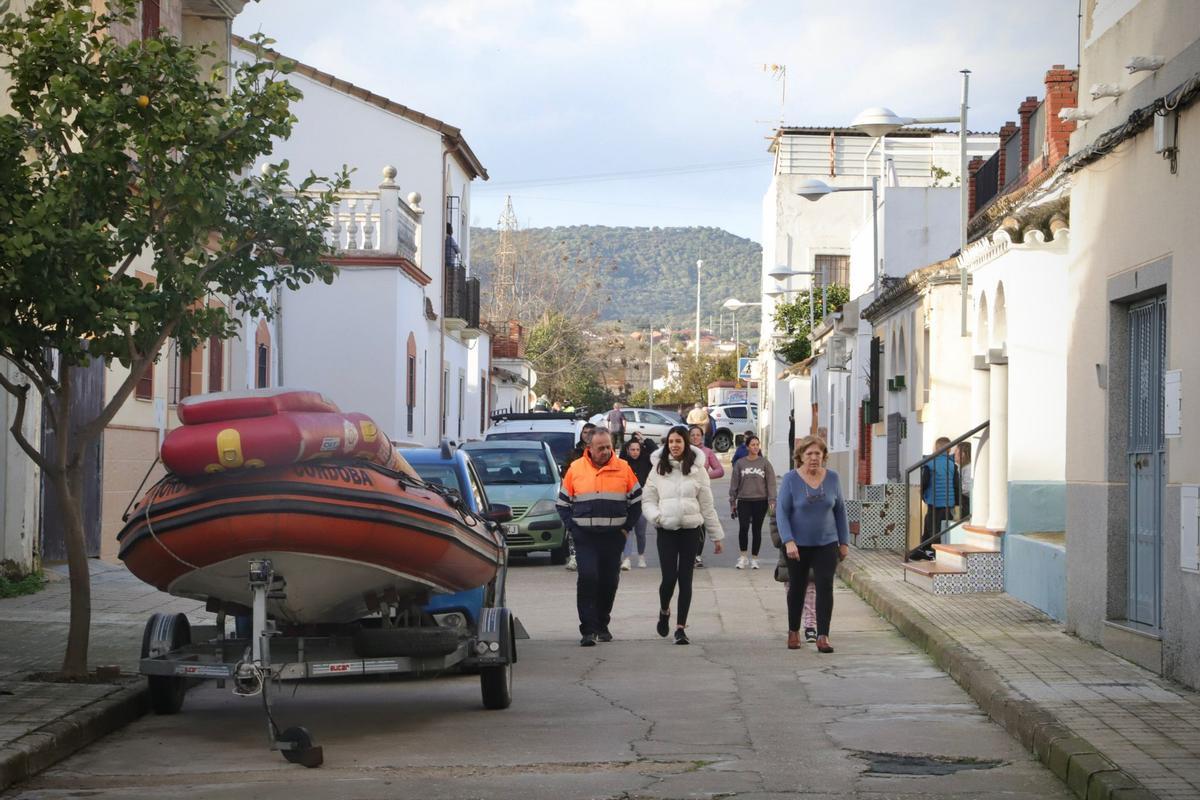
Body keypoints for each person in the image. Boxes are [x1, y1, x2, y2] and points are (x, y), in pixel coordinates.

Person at [557, 427, 642, 647]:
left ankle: (602, 623)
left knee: (608, 581)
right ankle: (588, 630)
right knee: (588, 578)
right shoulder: (576, 469)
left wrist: (626, 529)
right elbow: (563, 504)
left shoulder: (623, 468)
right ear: (590, 448)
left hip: (614, 537)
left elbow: (636, 502)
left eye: (608, 447)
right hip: (585, 537)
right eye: (601, 448)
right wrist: (573, 529)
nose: (605, 451)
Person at [642, 425, 725, 645]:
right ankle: (664, 610)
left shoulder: (698, 470)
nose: (674, 445)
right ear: (666, 445)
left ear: (686, 443)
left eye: (679, 441)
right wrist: (656, 517)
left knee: (686, 579)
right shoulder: (658, 469)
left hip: (691, 530)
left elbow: (707, 506)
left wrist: (716, 535)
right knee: (669, 578)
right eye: (671, 442)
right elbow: (648, 500)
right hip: (666, 530)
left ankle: (680, 628)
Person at [777, 435, 848, 653]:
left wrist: (844, 541)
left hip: (826, 543)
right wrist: (788, 541)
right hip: (797, 545)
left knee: (825, 586)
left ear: (824, 456)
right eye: (809, 454)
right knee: (797, 588)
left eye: (818, 453)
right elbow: (782, 512)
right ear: (800, 457)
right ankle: (793, 631)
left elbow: (840, 511)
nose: (814, 458)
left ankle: (823, 635)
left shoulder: (833, 478)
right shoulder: (790, 479)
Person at [769, 509, 818, 643]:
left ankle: (810, 626)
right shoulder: (786, 494)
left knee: (811, 588)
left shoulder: (814, 492)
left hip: (811, 546)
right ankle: (794, 626)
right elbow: (775, 519)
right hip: (789, 549)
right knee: (792, 591)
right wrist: (781, 539)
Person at [729, 434, 776, 570]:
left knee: (757, 530)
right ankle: (743, 557)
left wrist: (772, 499)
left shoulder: (765, 463)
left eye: (757, 444)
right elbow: (734, 484)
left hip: (760, 501)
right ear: (748, 447)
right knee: (743, 528)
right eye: (753, 445)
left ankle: (755, 558)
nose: (755, 447)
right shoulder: (740, 463)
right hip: (744, 500)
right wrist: (732, 501)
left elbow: (771, 483)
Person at [915, 436, 960, 560]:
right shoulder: (952, 465)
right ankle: (928, 549)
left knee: (931, 525)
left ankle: (931, 551)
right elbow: (956, 485)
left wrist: (923, 495)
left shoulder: (930, 463)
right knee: (943, 527)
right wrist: (956, 503)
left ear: (935, 448)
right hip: (948, 502)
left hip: (934, 501)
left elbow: (925, 482)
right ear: (948, 450)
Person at [688, 424, 723, 568]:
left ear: (702, 436)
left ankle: (697, 555)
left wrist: (705, 476)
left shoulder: (707, 452)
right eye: (692, 435)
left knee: (701, 524)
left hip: (702, 493)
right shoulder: (684, 450)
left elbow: (720, 470)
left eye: (698, 435)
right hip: (686, 494)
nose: (695, 437)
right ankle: (686, 554)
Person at [619, 438, 653, 569]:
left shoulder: (646, 461)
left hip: (642, 501)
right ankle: (626, 559)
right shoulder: (623, 463)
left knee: (640, 531)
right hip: (626, 500)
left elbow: (655, 451)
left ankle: (641, 555)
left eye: (637, 449)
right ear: (627, 450)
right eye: (632, 449)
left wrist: (646, 440)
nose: (635, 452)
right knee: (627, 529)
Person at [957, 441, 973, 520]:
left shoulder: (968, 468)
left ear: (962, 454)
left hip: (967, 502)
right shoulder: (962, 467)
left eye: (956, 452)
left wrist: (956, 489)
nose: (954, 455)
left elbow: (967, 489)